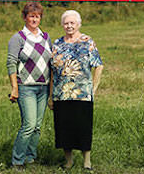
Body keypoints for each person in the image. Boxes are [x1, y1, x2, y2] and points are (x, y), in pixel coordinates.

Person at [49, 9, 104, 172]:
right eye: (66, 23)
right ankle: (68, 161)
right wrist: (51, 95)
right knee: (64, 127)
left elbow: (98, 65)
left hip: (82, 94)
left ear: (79, 24)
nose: (69, 26)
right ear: (62, 25)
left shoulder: (87, 41)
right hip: (61, 93)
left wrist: (93, 88)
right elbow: (52, 70)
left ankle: (87, 161)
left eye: (72, 23)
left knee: (83, 127)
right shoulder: (57, 43)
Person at [6, 2, 53, 170]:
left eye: (37, 16)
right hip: (26, 87)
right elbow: (11, 64)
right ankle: (17, 161)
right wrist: (14, 88)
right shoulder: (18, 38)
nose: (34, 19)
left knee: (37, 127)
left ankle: (30, 157)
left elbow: (52, 63)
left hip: (44, 87)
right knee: (29, 125)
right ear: (25, 17)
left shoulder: (46, 38)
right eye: (31, 16)